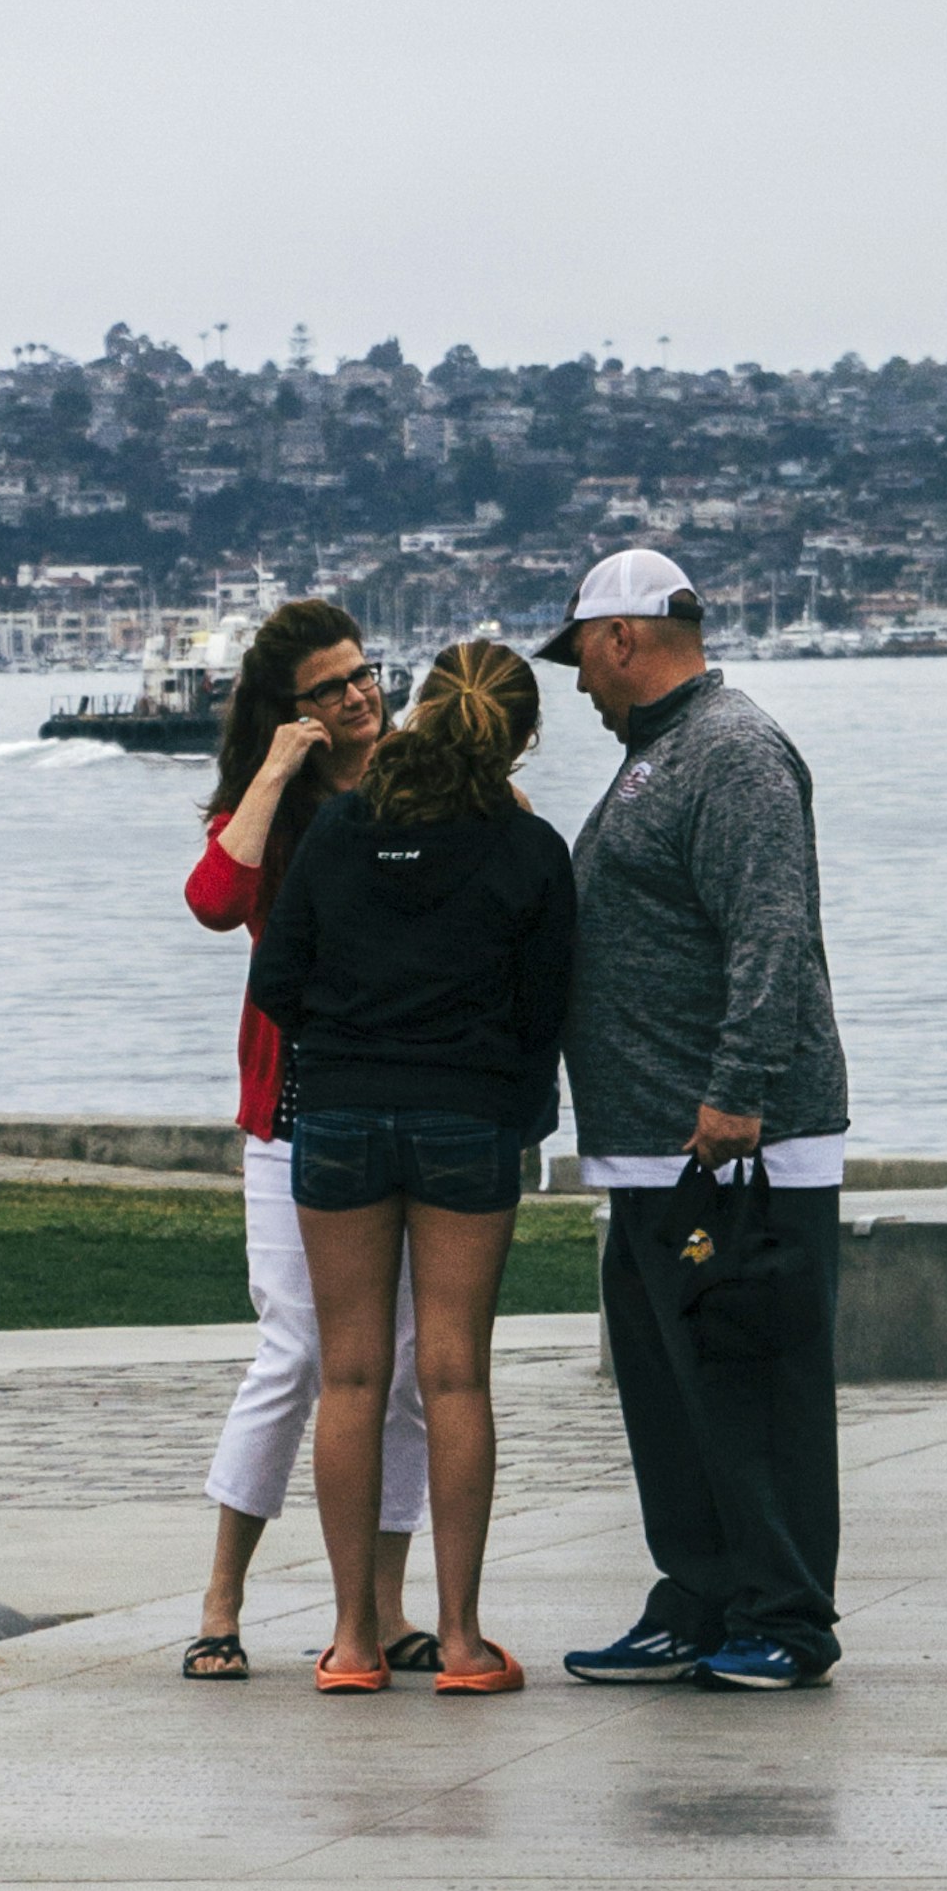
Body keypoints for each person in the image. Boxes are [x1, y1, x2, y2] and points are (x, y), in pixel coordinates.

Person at [549, 546, 855, 1693]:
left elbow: (769, 931)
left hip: (732, 1147)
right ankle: (698, 1594)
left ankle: (784, 1613)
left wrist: (737, 1091)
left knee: (749, 1380)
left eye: (579, 649)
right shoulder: (660, 754)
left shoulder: (732, 751)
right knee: (670, 1394)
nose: (574, 679)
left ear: (623, 635)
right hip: (651, 1148)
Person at [251, 634, 573, 1696]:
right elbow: (547, 1011)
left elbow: (279, 979)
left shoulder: (340, 829)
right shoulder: (530, 853)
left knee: (348, 1373)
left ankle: (351, 1641)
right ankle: (464, 1640)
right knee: (453, 1374)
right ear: (519, 738)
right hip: (467, 1118)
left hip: (340, 1114)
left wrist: (348, 1039)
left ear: (420, 713)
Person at [181, 597, 433, 1679]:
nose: (360, 695)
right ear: (291, 710)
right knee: (296, 1351)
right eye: (330, 687)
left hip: (407, 1099)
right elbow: (213, 896)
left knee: (413, 1364)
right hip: (292, 1112)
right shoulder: (273, 811)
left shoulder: (416, 785)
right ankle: (222, 1596)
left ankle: (381, 1602)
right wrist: (276, 772)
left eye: (364, 673)